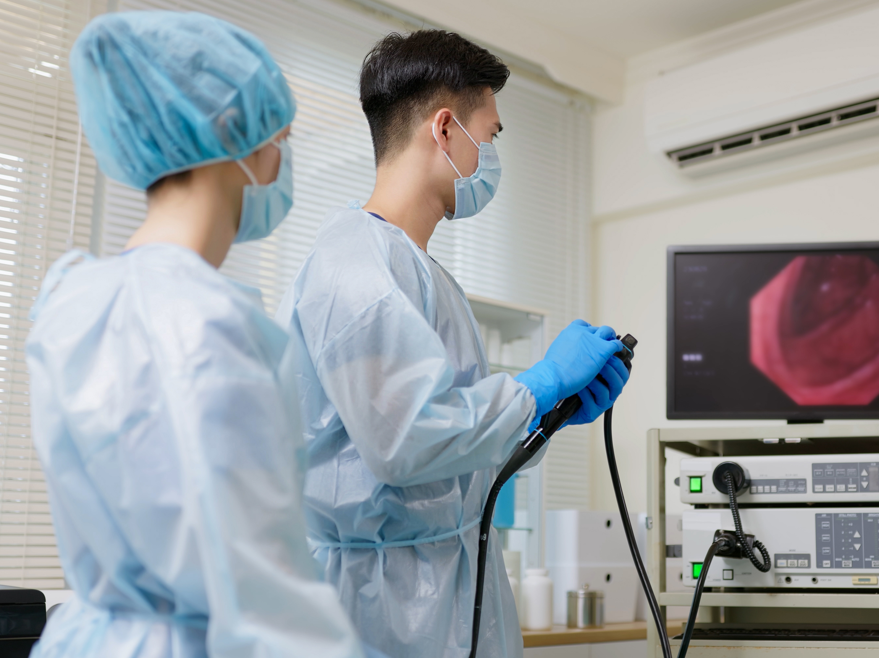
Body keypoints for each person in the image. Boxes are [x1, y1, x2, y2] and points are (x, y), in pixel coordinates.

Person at [276, 30, 630, 657]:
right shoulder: (355, 262)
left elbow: (450, 461)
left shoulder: (422, 274)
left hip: (442, 594)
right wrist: (539, 383)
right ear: (445, 129)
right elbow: (406, 440)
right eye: (489, 136)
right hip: (382, 610)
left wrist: (550, 416)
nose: (491, 156)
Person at [27, 12, 367, 658]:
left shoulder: (69, 300)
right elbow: (260, 591)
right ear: (231, 139)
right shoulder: (207, 323)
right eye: (281, 139)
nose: (282, 162)